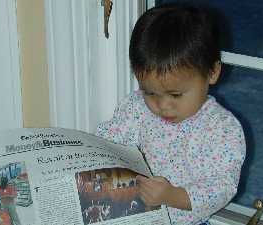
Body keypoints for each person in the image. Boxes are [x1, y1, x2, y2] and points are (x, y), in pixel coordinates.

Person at [96, 3, 246, 224]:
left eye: (175, 95)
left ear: (212, 73)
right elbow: (110, 141)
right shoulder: (136, 107)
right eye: (150, 92)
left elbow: (221, 188)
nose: (163, 106)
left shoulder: (222, 129)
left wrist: (171, 196)